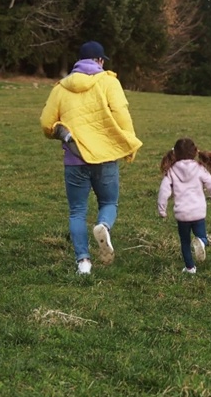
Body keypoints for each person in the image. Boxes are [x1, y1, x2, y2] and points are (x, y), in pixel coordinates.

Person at [40, 41, 142, 275]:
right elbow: (122, 114)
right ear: (99, 61)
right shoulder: (109, 82)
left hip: (74, 159)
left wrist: (62, 132)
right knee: (109, 203)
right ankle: (103, 226)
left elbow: (46, 124)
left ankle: (83, 263)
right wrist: (129, 144)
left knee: (77, 211)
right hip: (105, 156)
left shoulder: (60, 88)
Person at [157, 138, 211, 274]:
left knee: (185, 242)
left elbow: (164, 191)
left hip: (182, 214)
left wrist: (162, 209)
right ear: (195, 152)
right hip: (198, 212)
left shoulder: (172, 171)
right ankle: (201, 242)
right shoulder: (200, 169)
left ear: (175, 153)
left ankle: (190, 267)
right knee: (202, 236)